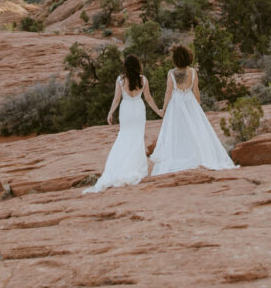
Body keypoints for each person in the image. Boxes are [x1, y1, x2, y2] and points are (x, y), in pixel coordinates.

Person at [150, 44, 238, 176]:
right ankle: (198, 156)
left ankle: (180, 157)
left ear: (175, 59)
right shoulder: (192, 72)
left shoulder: (171, 73)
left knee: (178, 132)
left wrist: (164, 108)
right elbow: (196, 90)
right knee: (195, 130)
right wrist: (197, 107)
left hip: (176, 104)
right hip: (190, 102)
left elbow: (168, 92)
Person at [84, 53, 163, 193]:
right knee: (137, 139)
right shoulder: (143, 79)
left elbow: (116, 99)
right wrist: (158, 111)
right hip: (138, 109)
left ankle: (120, 168)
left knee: (124, 137)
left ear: (126, 67)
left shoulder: (120, 80)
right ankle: (135, 168)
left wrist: (110, 112)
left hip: (126, 109)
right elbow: (149, 98)